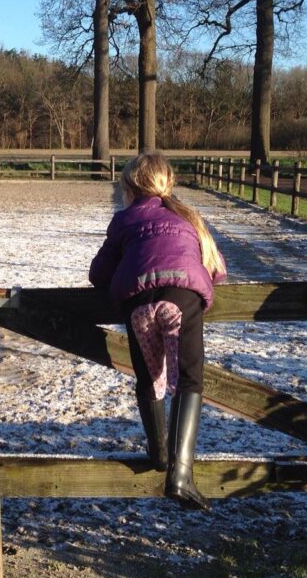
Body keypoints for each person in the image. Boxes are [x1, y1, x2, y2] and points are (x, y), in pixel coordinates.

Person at [89, 153, 226, 510]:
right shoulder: (189, 217)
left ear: (129, 189)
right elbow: (218, 270)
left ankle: (158, 454)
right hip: (181, 299)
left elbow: (98, 274)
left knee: (150, 378)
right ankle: (180, 474)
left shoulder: (123, 221)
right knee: (188, 379)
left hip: (139, 304)